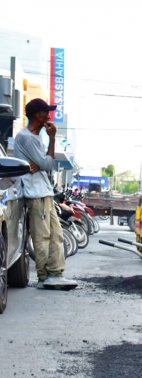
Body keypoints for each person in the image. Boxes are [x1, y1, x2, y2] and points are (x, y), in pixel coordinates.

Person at [12, 98, 77, 290]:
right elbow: (48, 164)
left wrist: (39, 164)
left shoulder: (36, 137)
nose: (48, 116)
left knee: (56, 235)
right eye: (45, 112)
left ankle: (56, 273)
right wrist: (53, 139)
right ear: (37, 115)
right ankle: (44, 276)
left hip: (44, 191)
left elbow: (43, 165)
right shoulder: (27, 137)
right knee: (43, 236)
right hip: (35, 194)